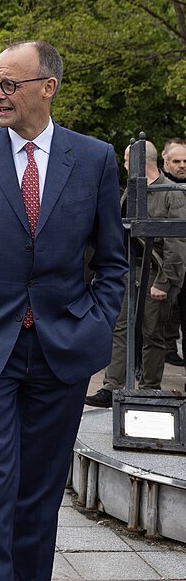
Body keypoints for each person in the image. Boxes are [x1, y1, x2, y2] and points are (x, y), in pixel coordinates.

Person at [0, 41, 126, 581]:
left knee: (41, 487)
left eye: (9, 84)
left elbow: (112, 261)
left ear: (48, 87)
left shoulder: (94, 158)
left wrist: (96, 322)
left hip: (63, 347)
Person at [85, 142, 186, 407]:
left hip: (154, 273)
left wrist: (165, 281)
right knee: (120, 329)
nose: (125, 164)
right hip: (128, 271)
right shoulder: (131, 191)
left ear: (140, 161)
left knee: (153, 333)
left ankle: (149, 389)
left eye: (128, 159)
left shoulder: (170, 193)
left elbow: (176, 244)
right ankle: (112, 387)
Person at [161, 138, 186, 366]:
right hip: (164, 265)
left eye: (185, 161)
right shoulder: (158, 186)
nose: (182, 165)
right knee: (157, 322)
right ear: (166, 161)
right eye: (176, 161)